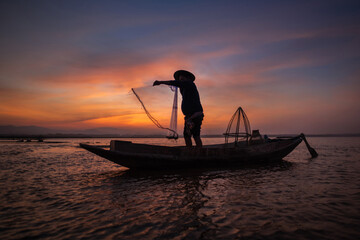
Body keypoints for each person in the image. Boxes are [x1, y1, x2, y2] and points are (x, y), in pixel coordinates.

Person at [153, 70, 204, 148]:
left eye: (182, 78)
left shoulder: (190, 84)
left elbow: (176, 83)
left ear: (187, 78)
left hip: (196, 115)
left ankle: (200, 153)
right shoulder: (183, 88)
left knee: (196, 135)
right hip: (188, 117)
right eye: (180, 79)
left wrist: (160, 82)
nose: (180, 80)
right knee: (187, 136)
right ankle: (190, 152)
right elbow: (177, 84)